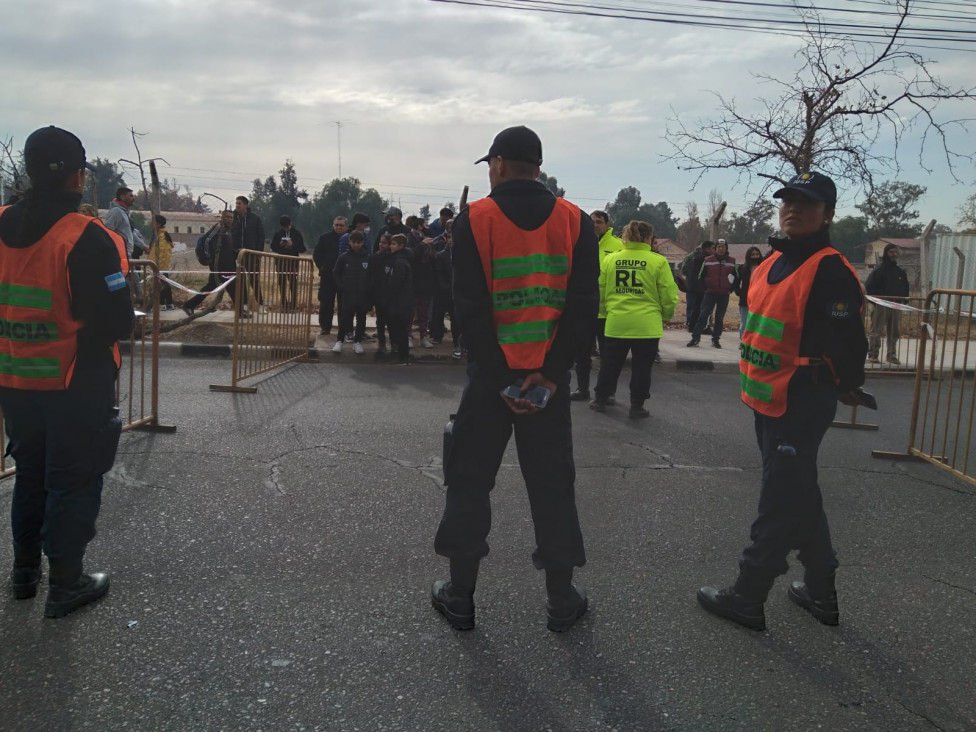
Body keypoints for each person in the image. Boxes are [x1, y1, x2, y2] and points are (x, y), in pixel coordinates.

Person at [431, 125, 599, 633]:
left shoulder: (476, 218)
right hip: (547, 385)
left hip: (491, 384)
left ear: (499, 164)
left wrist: (504, 379)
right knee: (552, 487)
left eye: (489, 165)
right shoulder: (575, 221)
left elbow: (470, 307)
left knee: (469, 482)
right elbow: (583, 307)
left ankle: (460, 597)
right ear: (539, 167)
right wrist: (547, 376)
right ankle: (561, 600)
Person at [697, 171, 867, 632]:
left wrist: (848, 382)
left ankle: (748, 595)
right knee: (798, 491)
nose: (793, 209)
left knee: (778, 499)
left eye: (806, 203)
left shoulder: (830, 268)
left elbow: (850, 338)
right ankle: (820, 586)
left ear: (827, 213)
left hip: (801, 399)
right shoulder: (772, 261)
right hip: (765, 395)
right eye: (787, 200)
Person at [0, 126, 134, 617]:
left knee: (30, 472)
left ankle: (23, 573)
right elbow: (118, 322)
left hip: (14, 380)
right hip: (75, 382)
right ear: (78, 175)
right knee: (73, 480)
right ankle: (67, 582)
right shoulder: (88, 237)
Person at [590, 220, 678, 418]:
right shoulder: (658, 261)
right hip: (647, 325)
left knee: (610, 364)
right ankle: (636, 405)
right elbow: (668, 294)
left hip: (617, 321)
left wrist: (604, 313)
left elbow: (601, 290)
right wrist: (665, 315)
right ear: (649, 238)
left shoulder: (611, 260)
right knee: (642, 368)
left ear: (626, 237)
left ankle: (600, 399)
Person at [569, 210, 622, 401]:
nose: (595, 225)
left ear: (607, 225)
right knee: (582, 354)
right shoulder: (579, 241)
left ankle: (607, 392)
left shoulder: (617, 246)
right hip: (584, 307)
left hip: (607, 310)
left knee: (608, 355)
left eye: (599, 222)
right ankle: (582, 389)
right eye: (592, 222)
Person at [183, 210, 244, 315]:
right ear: (222, 218)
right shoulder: (217, 229)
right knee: (227, 286)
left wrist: (236, 252)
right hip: (219, 266)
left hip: (228, 265)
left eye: (231, 217)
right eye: (227, 217)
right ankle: (189, 305)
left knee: (220, 286)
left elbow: (225, 249)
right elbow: (206, 241)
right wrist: (208, 258)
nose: (229, 219)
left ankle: (191, 305)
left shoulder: (228, 231)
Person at [865, 243, 910, 364]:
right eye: (891, 252)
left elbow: (905, 287)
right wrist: (876, 301)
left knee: (894, 332)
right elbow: (869, 286)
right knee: (876, 331)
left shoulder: (900, 272)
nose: (894, 254)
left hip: (896, 305)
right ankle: (873, 355)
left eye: (896, 252)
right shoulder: (879, 271)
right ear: (886, 253)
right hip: (882, 305)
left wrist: (904, 300)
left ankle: (892, 355)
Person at [688, 238, 736, 349]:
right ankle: (695, 338)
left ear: (726, 248)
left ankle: (716, 340)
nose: (720, 249)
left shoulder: (732, 261)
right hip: (710, 293)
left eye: (723, 247)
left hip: (724, 294)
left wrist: (731, 289)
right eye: (718, 247)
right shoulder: (708, 260)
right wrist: (705, 288)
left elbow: (736, 277)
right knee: (703, 316)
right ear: (715, 248)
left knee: (719, 318)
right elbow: (701, 276)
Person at [332, 230, 371, 354]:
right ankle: (339, 341)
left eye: (358, 242)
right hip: (348, 294)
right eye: (353, 242)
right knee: (345, 318)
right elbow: (335, 273)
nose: (356, 245)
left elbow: (372, 275)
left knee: (361, 318)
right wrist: (341, 286)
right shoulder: (344, 257)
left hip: (362, 294)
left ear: (362, 243)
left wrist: (368, 289)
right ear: (349, 242)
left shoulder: (368, 257)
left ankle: (357, 342)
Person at [313, 216, 346, 335]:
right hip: (328, 276)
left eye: (341, 225)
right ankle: (325, 327)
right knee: (326, 302)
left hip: (344, 277)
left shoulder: (349, 239)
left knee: (344, 304)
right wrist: (322, 266)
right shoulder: (325, 238)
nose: (338, 227)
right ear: (333, 225)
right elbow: (317, 254)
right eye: (336, 225)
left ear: (345, 227)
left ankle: (344, 328)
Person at [386, 234, 415, 364]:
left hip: (400, 301)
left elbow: (396, 283)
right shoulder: (399, 259)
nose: (391, 246)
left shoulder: (400, 262)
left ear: (401, 246)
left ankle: (403, 356)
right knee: (398, 328)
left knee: (400, 328)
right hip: (402, 300)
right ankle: (401, 354)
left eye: (393, 244)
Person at [233, 195, 265, 310]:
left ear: (246, 205)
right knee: (240, 281)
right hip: (236, 255)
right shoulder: (232, 218)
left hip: (251, 255)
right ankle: (244, 305)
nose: (237, 206)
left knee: (254, 280)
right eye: (236, 203)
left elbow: (261, 236)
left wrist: (258, 253)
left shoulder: (255, 218)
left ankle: (260, 305)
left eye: (239, 204)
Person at [270, 215, 307, 311]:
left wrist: (293, 244)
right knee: (281, 283)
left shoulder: (296, 233)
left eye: (287, 226)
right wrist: (280, 245)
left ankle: (293, 305)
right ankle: (284, 304)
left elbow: (302, 248)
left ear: (291, 223)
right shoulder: (278, 234)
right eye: (284, 227)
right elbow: (273, 247)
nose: (286, 228)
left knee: (293, 283)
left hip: (293, 262)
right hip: (281, 262)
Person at [680, 240, 714, 334]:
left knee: (697, 307)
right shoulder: (696, 258)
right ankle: (695, 325)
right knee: (694, 306)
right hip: (696, 286)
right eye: (712, 248)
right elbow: (685, 269)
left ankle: (693, 325)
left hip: (696, 286)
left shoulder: (707, 258)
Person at [370, 233, 394, 357]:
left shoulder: (394, 258)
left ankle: (394, 345)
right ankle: (381, 343)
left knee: (392, 321)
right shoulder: (376, 257)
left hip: (391, 295)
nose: (381, 245)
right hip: (379, 294)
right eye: (380, 242)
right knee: (380, 321)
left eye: (384, 243)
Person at [733, 246, 764, 338]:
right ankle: (743, 340)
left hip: (760, 299)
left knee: (758, 321)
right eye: (753, 255)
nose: (755, 256)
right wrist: (739, 292)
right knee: (745, 321)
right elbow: (736, 282)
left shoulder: (764, 267)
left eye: (757, 254)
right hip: (745, 299)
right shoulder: (742, 268)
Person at [148, 214, 175, 310]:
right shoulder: (158, 235)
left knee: (162, 284)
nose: (150, 224)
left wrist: (158, 266)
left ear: (158, 224)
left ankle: (162, 303)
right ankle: (168, 303)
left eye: (153, 222)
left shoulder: (162, 236)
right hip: (158, 265)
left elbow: (162, 253)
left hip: (160, 265)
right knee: (164, 283)